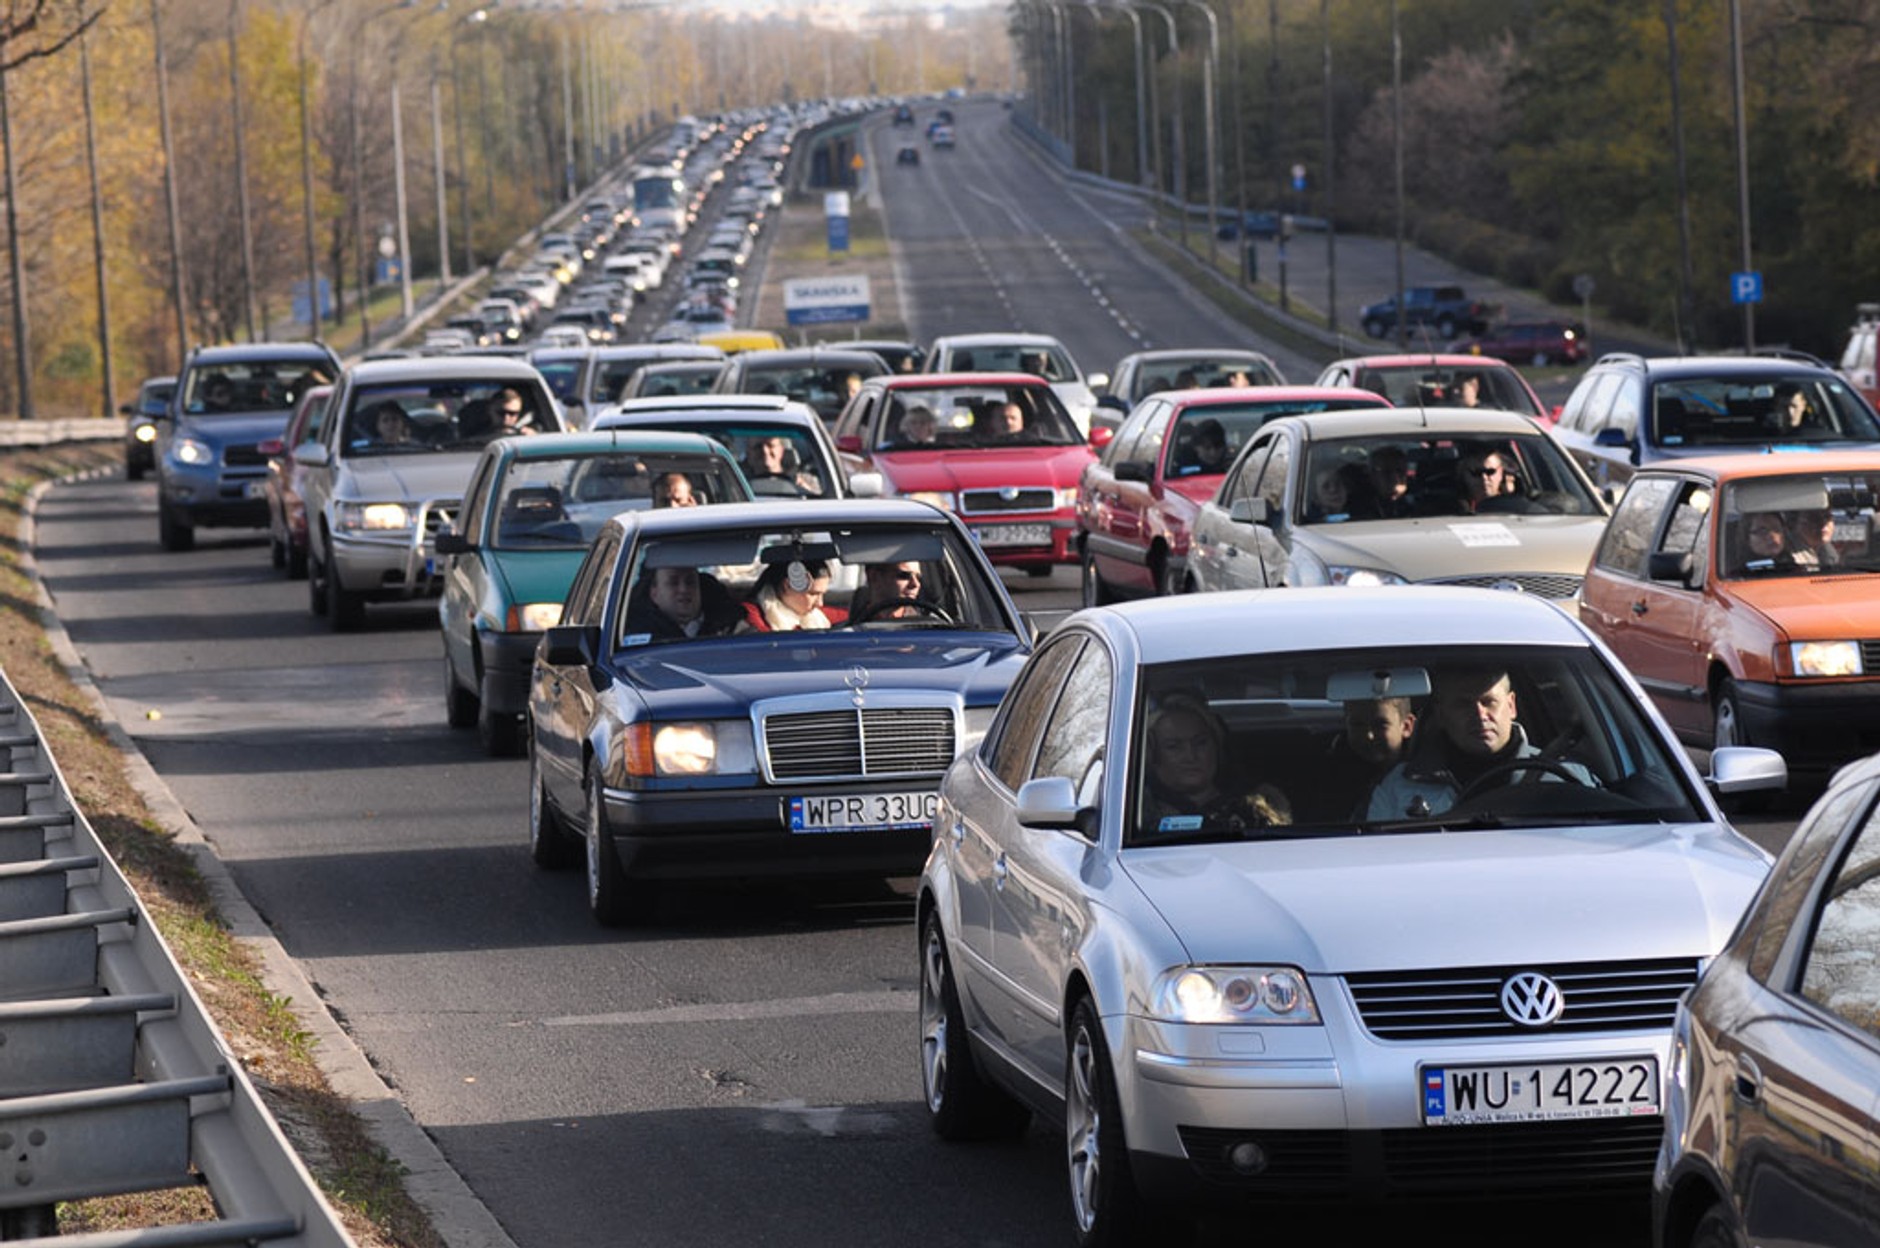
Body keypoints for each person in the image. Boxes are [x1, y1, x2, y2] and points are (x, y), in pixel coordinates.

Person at [1366, 667, 1593, 821]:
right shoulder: (1399, 787)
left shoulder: (1564, 780)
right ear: (1441, 715)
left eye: (1489, 702)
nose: (1479, 715)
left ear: (1511, 706)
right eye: (1463, 705)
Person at [1139, 692, 1291, 838]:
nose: (1190, 756)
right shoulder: (1134, 814)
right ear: (1152, 754)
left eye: (1200, 743)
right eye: (1174, 746)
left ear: (1216, 746)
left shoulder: (1258, 807)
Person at [623, 566, 740, 640]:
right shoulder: (632, 634)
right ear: (654, 593)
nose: (684, 589)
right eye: (673, 582)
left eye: (690, 582)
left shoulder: (734, 625)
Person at [738, 558, 846, 631]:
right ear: (788, 585)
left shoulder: (817, 615)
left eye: (822, 595)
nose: (820, 603)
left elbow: (853, 618)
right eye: (813, 594)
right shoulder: (750, 614)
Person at [854, 560, 925, 620]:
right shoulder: (849, 632)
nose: (916, 584)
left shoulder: (926, 630)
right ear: (874, 577)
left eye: (918, 578)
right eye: (904, 576)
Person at [1738, 510, 1804, 574]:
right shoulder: (1738, 577)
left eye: (1776, 529)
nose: (1772, 536)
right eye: (1762, 531)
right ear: (1747, 539)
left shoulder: (1797, 570)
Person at [1367, 445, 1414, 517]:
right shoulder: (1359, 507)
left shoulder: (1418, 504)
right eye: (1387, 472)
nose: (1395, 477)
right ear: (1373, 475)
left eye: (1399, 471)